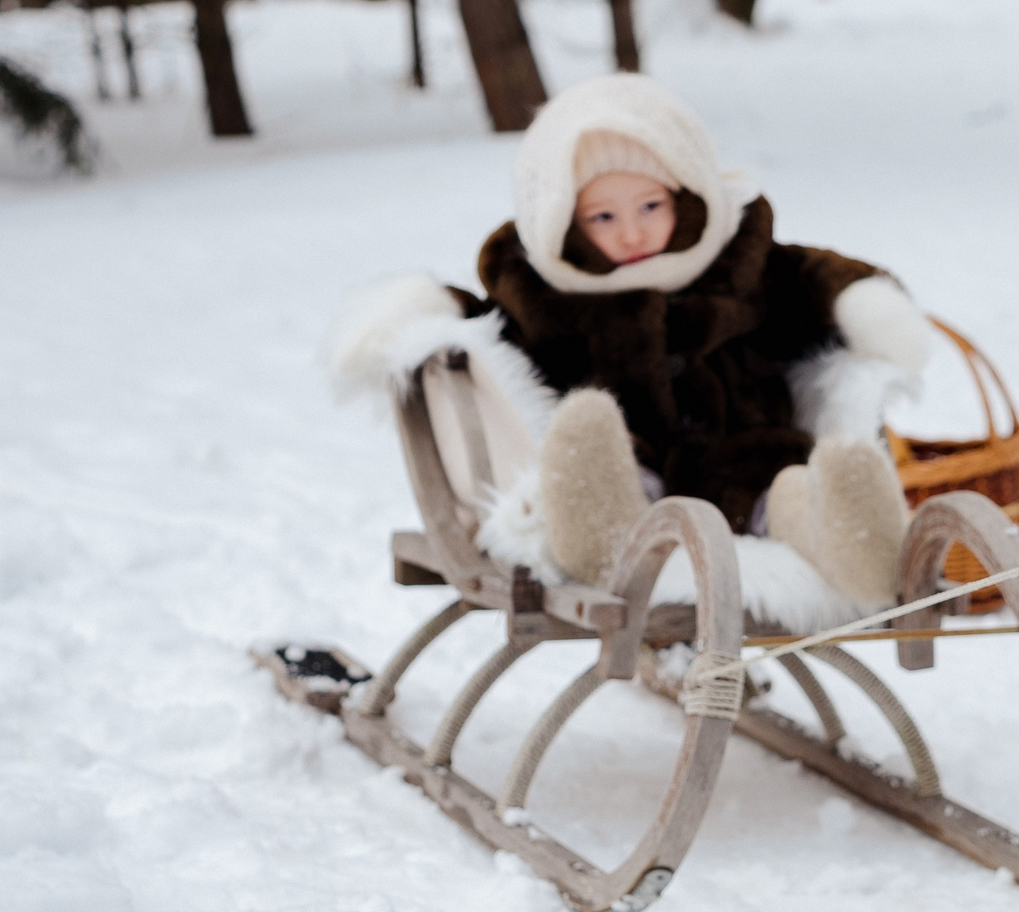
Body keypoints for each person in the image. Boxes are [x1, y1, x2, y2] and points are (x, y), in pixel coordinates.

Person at [340, 73, 932, 608]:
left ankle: (850, 538)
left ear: (688, 191)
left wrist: (860, 304)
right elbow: (492, 330)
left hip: (751, 461)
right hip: (634, 472)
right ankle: (606, 540)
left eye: (651, 205)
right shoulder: (545, 293)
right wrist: (427, 310)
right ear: (563, 221)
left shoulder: (743, 265)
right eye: (602, 217)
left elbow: (815, 285)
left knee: (793, 491)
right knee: (599, 451)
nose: (632, 232)